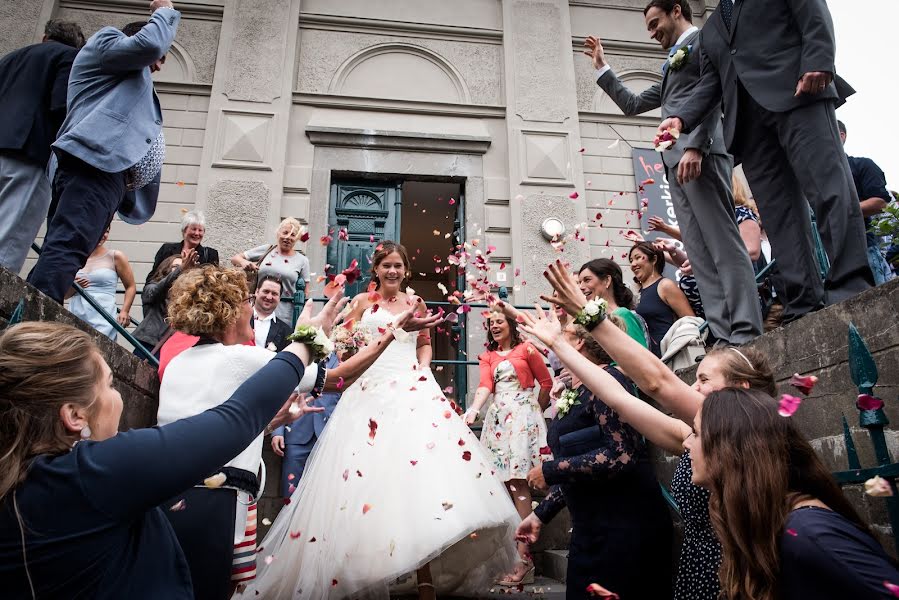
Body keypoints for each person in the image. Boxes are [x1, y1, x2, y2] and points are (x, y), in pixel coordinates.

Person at [241, 241, 520, 600]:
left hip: (411, 388)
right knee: (367, 484)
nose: (392, 271)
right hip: (368, 392)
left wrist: (423, 367)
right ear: (377, 269)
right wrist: (347, 347)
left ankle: (425, 579)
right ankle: (369, 575)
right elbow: (343, 347)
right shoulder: (361, 303)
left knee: (419, 484)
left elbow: (424, 343)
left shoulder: (416, 303)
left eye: (398, 266)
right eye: (386, 265)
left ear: (405, 270)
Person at [159, 264, 441, 598]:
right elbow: (340, 378)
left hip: (173, 493)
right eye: (247, 302)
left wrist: (274, 422)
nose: (253, 308)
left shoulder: (179, 363)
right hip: (218, 502)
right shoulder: (241, 359)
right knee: (212, 588)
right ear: (230, 312)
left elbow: (214, 424)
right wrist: (391, 330)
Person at [0, 315, 325, 597]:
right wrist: (305, 342)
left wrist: (268, 424)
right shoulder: (90, 475)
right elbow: (234, 421)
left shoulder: (26, 483)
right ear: (74, 415)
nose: (116, 398)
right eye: (110, 386)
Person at [518, 260, 777, 600]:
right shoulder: (692, 436)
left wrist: (586, 312)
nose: (695, 388)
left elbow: (656, 382)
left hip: (738, 571)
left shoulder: (741, 432)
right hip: (700, 567)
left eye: (703, 379)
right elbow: (619, 398)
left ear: (740, 388)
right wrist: (559, 345)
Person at [657, 0, 873, 323]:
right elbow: (711, 83)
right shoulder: (713, 26)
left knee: (829, 190)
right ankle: (803, 301)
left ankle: (851, 284)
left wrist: (818, 60)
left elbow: (812, 11)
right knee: (779, 217)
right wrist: (680, 119)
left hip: (799, 92)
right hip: (750, 128)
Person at [586, 0, 762, 346]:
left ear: (677, 11)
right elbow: (633, 105)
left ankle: (746, 327)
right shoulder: (670, 65)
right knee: (698, 253)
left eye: (655, 23)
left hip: (701, 155)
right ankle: (724, 333)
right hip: (674, 166)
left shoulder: (705, 43)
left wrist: (697, 144)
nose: (652, 33)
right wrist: (602, 68)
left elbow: (714, 94)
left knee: (724, 246)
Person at [28, 1, 180, 303]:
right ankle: (32, 327)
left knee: (69, 248)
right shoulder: (107, 41)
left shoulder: (127, 79)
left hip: (106, 176)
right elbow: (150, 45)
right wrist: (164, 12)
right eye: (161, 55)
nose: (160, 63)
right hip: (94, 166)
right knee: (68, 245)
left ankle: (32, 312)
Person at [688, 388, 899, 599]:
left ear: (729, 447)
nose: (686, 443)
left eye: (695, 433)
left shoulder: (809, 533)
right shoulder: (764, 522)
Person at [516, 321, 673, 599]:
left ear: (578, 343)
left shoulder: (609, 382)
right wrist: (540, 514)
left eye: (563, 333)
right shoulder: (574, 391)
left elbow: (621, 454)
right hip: (590, 530)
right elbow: (581, 467)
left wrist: (550, 470)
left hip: (624, 528)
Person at [463, 307, 553, 586]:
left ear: (511, 324)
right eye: (490, 323)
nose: (494, 326)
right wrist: (474, 411)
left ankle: (524, 559)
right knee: (498, 486)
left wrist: (533, 412)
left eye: (499, 321)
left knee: (519, 483)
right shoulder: (488, 357)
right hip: (499, 421)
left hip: (523, 422)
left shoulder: (527, 349)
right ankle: (503, 558)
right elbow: (484, 386)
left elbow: (546, 383)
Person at [0, 19, 83, 273]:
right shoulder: (70, 58)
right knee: (13, 230)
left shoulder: (10, 58)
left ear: (46, 37)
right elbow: (62, 107)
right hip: (32, 151)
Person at [271, 351, 341, 496]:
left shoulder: (344, 359)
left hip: (329, 437)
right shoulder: (299, 355)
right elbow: (282, 391)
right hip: (297, 434)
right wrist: (277, 431)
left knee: (323, 495)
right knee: (290, 492)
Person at [838, 121, 895, 285]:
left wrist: (840, 210)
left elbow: (880, 202)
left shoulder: (862, 165)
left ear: (842, 136)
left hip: (864, 250)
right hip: (827, 256)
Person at [231, 217, 311, 324]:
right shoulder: (267, 250)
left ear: (297, 238)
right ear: (278, 233)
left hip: (285, 314)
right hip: (257, 309)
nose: (288, 237)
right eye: (285, 233)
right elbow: (235, 259)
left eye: (292, 235)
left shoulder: (302, 260)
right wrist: (244, 263)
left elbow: (305, 292)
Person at [66, 226, 136, 340]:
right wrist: (75, 287)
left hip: (103, 315)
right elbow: (65, 296)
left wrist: (125, 311)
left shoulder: (115, 256)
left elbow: (131, 286)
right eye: (100, 229)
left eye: (107, 231)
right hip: (77, 312)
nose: (103, 234)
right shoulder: (75, 257)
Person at [629, 241, 694, 355]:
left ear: (654, 259)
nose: (633, 264)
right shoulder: (639, 292)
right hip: (649, 357)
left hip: (670, 355)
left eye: (637, 258)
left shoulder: (665, 285)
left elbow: (691, 321)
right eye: (631, 261)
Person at [132, 252, 194, 358]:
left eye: (183, 267)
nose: (181, 269)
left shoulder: (187, 294)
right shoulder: (151, 287)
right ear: (166, 269)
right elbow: (157, 290)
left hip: (175, 348)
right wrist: (180, 269)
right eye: (176, 267)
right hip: (151, 345)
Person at [577, 258, 649, 348]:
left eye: (587, 280)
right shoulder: (587, 317)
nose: (581, 287)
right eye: (580, 282)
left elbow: (640, 356)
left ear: (607, 280)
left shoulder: (623, 315)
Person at [149, 209, 220, 277]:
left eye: (200, 230)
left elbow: (213, 282)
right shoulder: (166, 249)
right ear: (184, 230)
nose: (197, 233)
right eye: (193, 229)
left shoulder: (210, 254)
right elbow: (154, 276)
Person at [251, 275, 292, 351]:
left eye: (274, 294)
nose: (269, 297)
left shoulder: (286, 332)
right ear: (257, 292)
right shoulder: (238, 319)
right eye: (266, 291)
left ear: (279, 298)